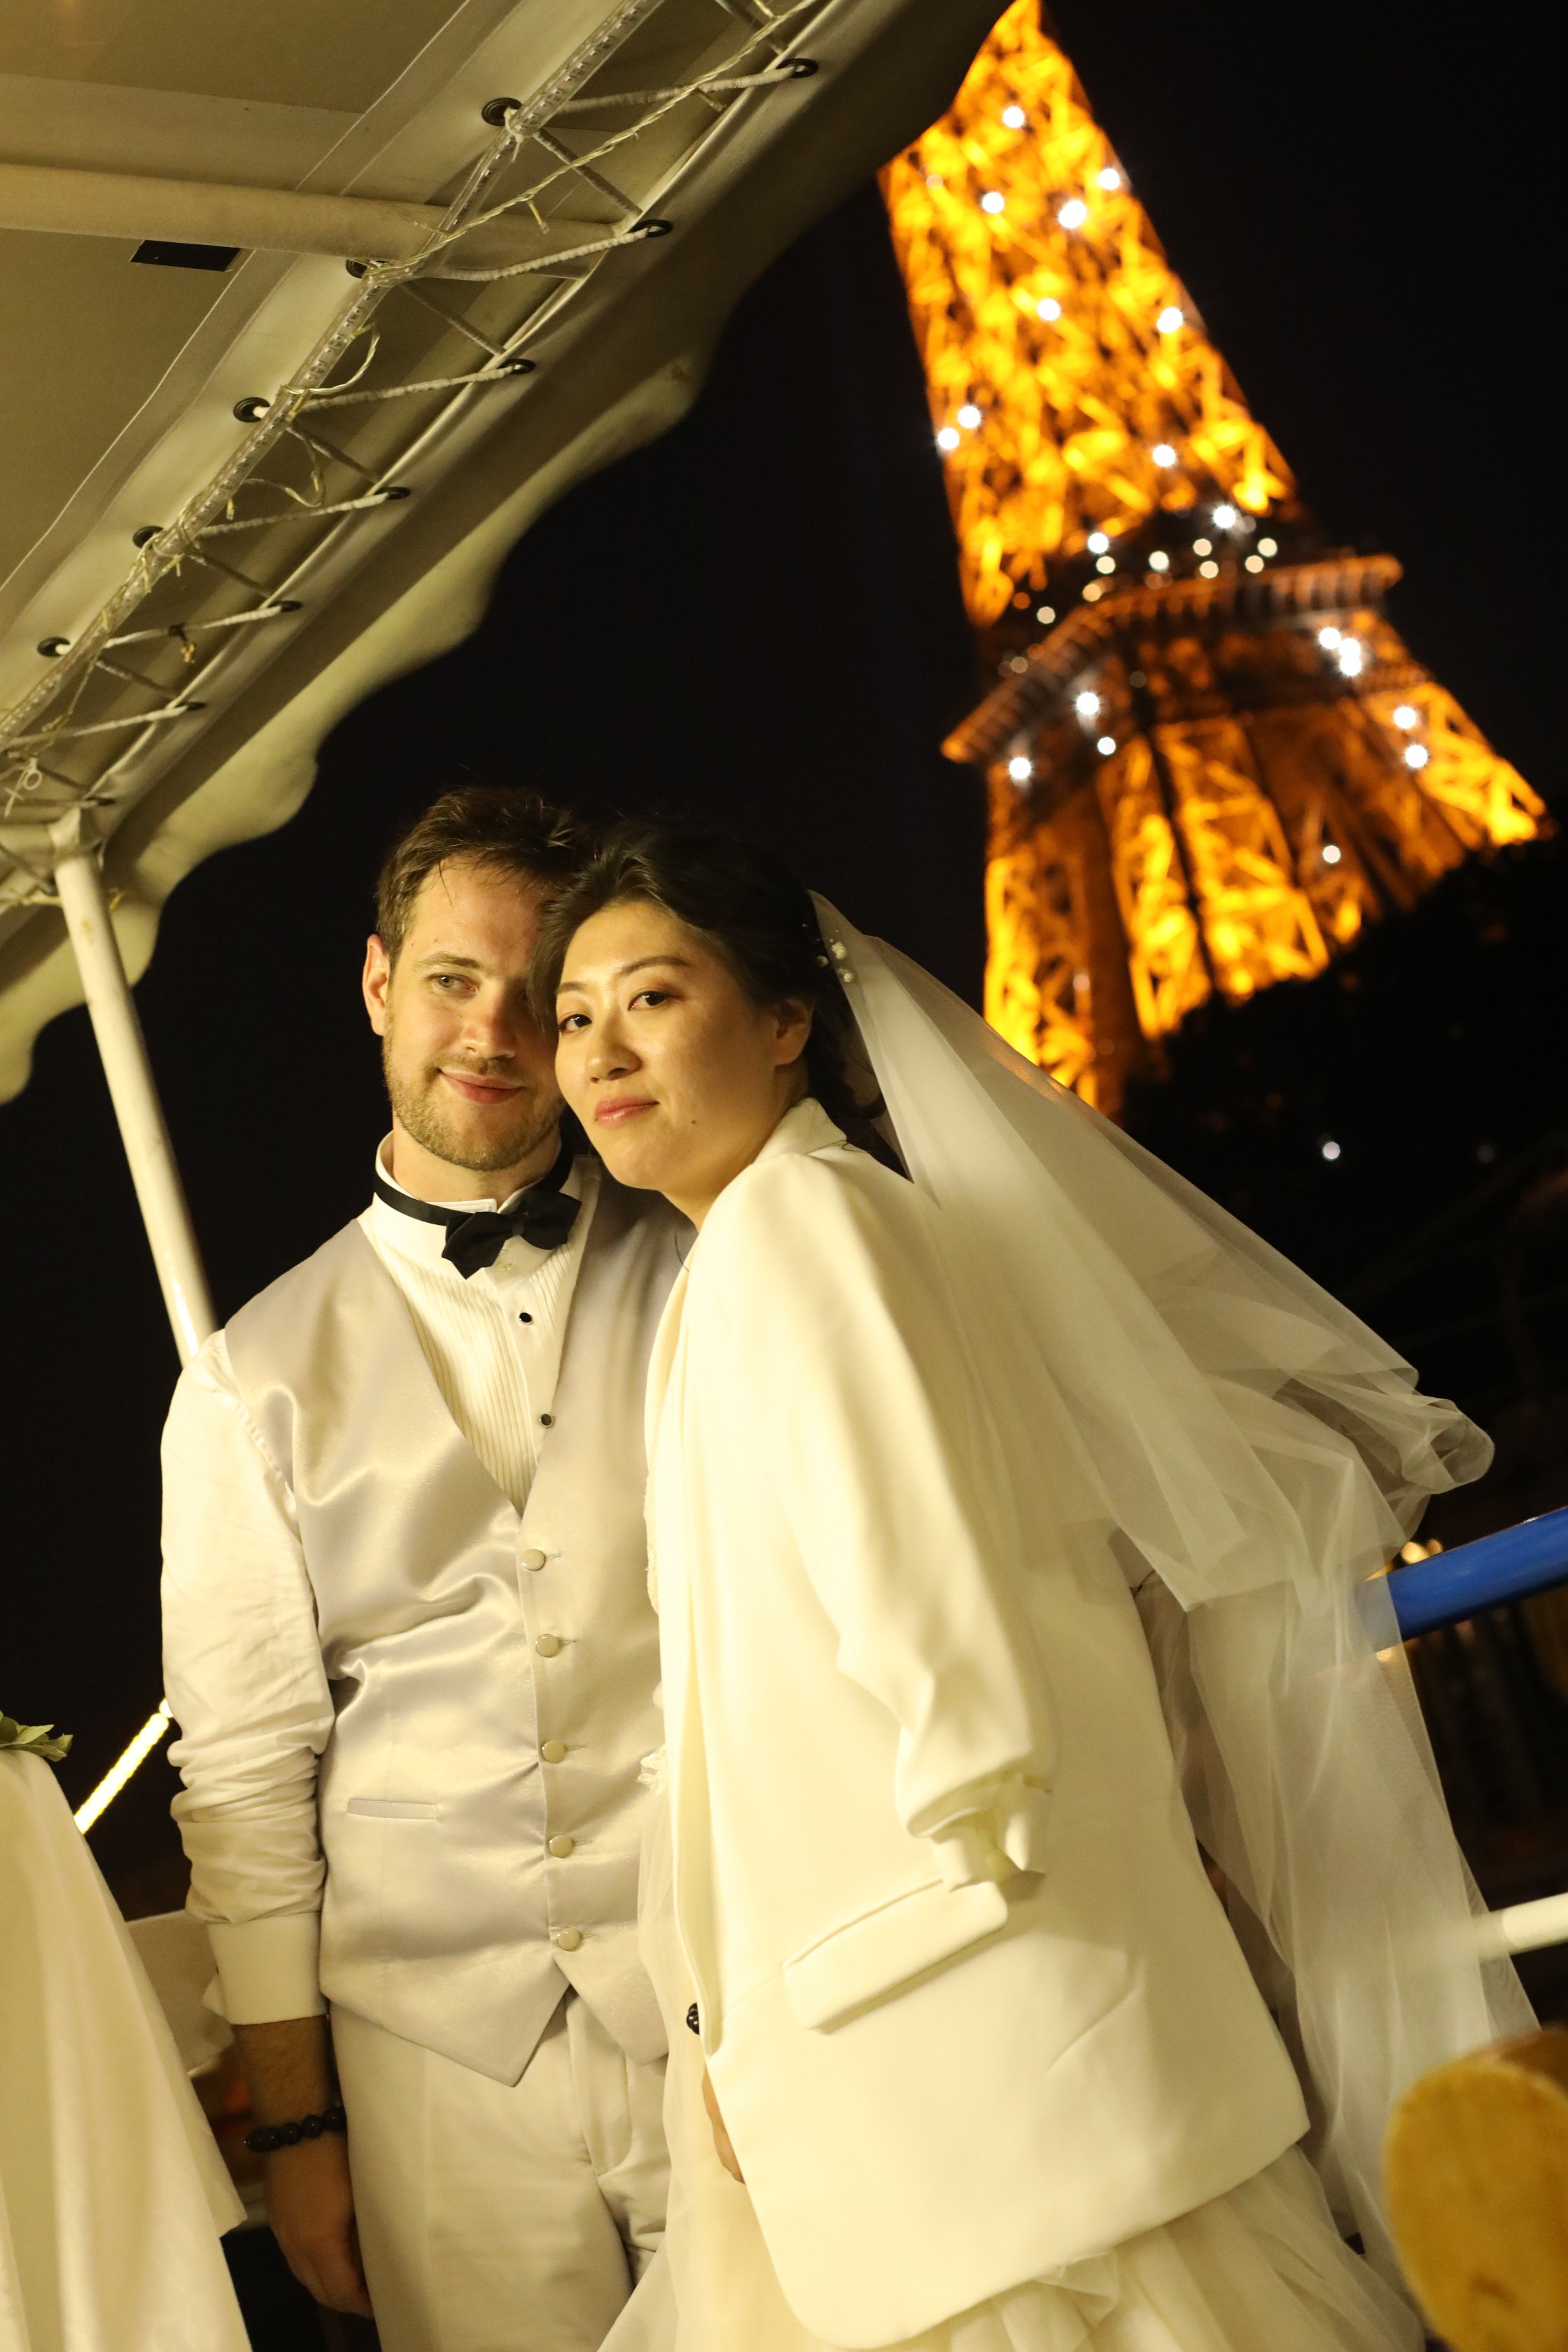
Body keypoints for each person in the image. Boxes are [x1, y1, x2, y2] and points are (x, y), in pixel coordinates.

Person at [536, 819, 1534, 2352]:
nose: (601, 1050)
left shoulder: (798, 1227)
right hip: (944, 1981)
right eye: (572, 1016)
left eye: (652, 997)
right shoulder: (788, 1229)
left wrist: (974, 1844)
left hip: (969, 1983)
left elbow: (923, 1575)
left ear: (788, 1020)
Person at [161, 788, 682, 2352]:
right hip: (435, 2065)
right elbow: (245, 1780)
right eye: (454, 980)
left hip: (722, 1993)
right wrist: (299, 2131)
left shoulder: (716, 1256)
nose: (495, 1031)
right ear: (380, 985)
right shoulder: (242, 1379)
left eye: (541, 992)